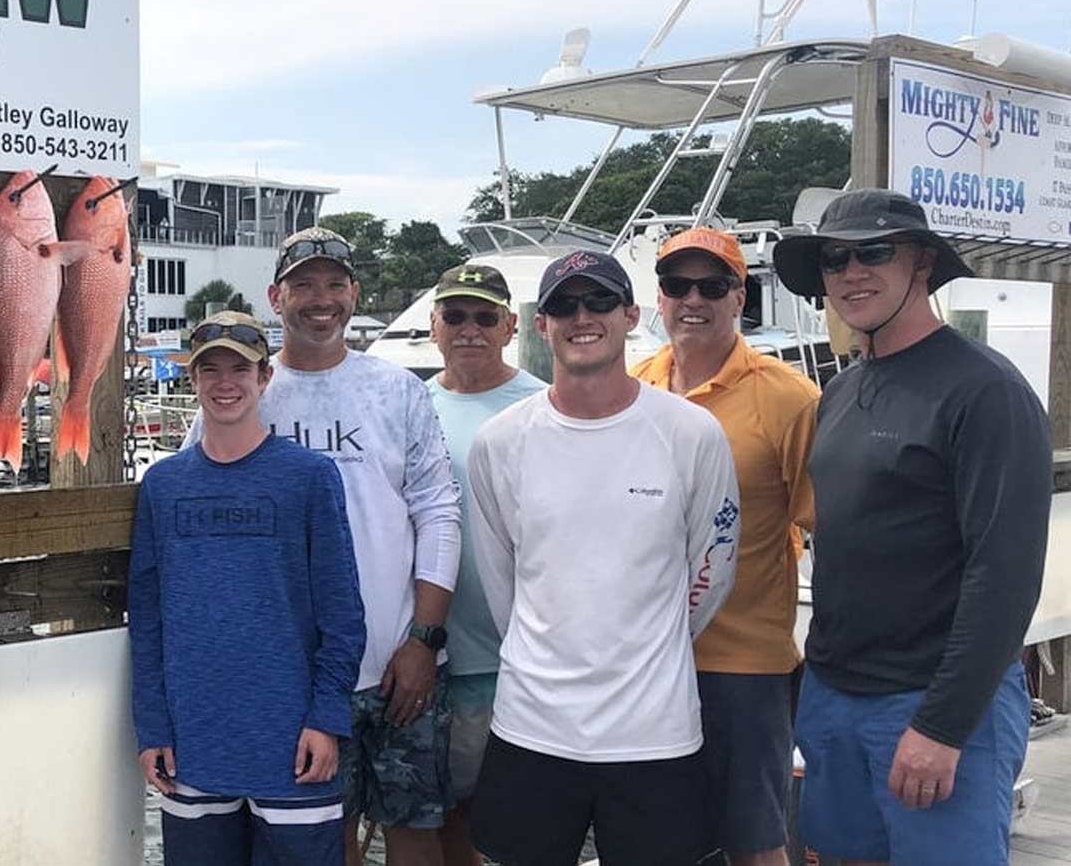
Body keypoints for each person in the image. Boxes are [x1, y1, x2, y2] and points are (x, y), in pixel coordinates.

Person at [771, 189, 1050, 866]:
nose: (851, 272)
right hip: (835, 696)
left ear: (922, 263)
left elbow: (1005, 576)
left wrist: (943, 727)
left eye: (874, 252)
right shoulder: (838, 391)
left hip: (934, 705)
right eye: (834, 259)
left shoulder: (986, 390)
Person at [189, 227, 464, 865]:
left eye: (335, 284)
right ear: (275, 295)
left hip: (400, 662)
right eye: (304, 284)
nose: (321, 299)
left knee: (415, 831)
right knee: (320, 839)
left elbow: (439, 513)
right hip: (294, 676)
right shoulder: (246, 388)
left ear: (354, 293)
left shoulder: (399, 390)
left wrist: (424, 639)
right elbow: (196, 497)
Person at [466, 249, 741, 866]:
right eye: (563, 304)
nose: (580, 316)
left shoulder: (692, 433)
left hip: (655, 733)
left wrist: (656, 643)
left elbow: (714, 568)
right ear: (540, 324)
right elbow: (500, 581)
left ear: (631, 314)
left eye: (598, 301)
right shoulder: (500, 441)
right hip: (531, 725)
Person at [129, 310, 367, 864]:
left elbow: (343, 614)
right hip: (193, 743)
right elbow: (148, 620)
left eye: (241, 368)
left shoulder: (309, 477)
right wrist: (152, 726)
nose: (225, 383)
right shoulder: (162, 486)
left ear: (265, 379)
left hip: (292, 745)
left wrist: (326, 718)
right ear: (192, 380)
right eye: (210, 369)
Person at [631, 228, 819, 866]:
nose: (693, 299)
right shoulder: (633, 386)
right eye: (676, 285)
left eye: (712, 286)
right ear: (657, 298)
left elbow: (827, 527)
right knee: (656, 839)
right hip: (642, 660)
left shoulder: (790, 397)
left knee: (755, 842)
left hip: (744, 665)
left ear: (740, 297)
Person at [422, 263, 547, 866]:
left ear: (509, 325)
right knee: (445, 813)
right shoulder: (411, 405)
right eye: (455, 315)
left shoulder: (544, 405)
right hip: (431, 656)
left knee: (525, 825)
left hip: (521, 658)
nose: (468, 329)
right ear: (434, 326)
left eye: (483, 316)